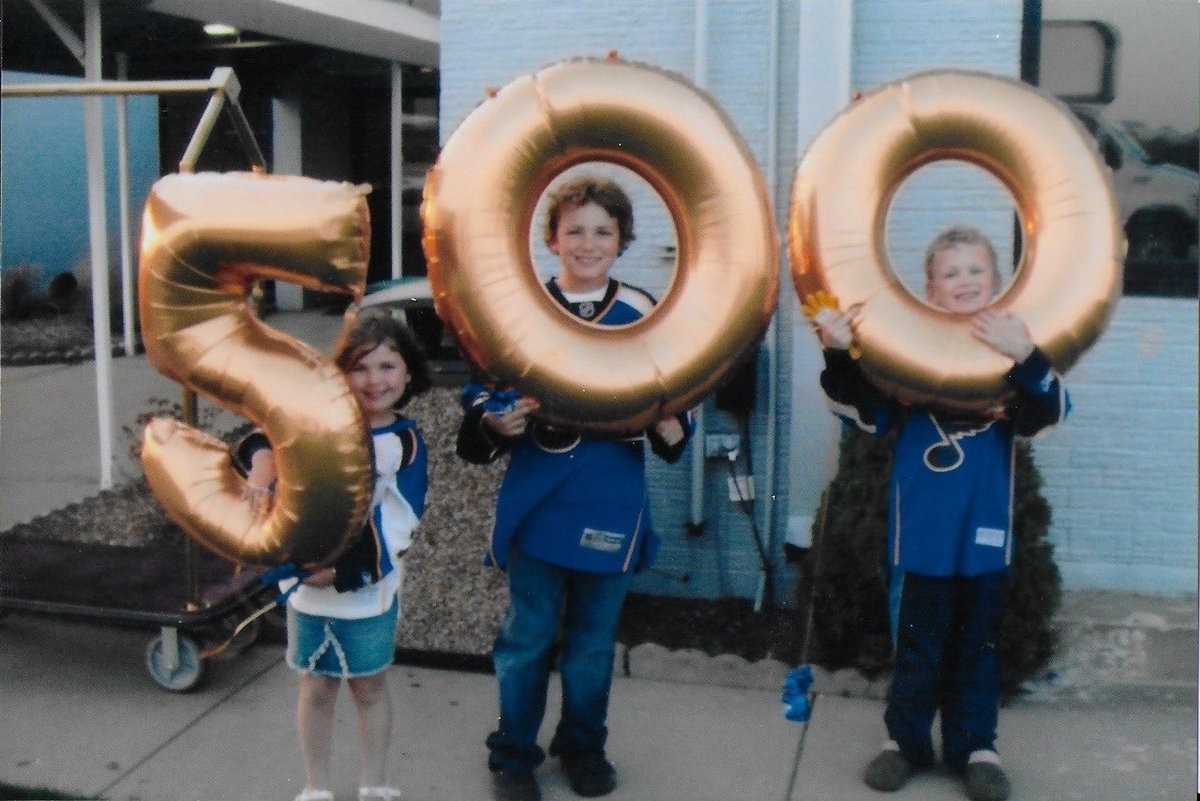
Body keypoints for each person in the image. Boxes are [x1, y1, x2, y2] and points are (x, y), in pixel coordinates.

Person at [456, 175, 694, 801]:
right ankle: (513, 756)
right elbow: (484, 390)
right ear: (552, 239)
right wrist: (493, 419)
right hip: (537, 503)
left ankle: (583, 747)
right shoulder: (523, 306)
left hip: (609, 502)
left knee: (591, 645)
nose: (588, 243)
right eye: (575, 230)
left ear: (622, 241)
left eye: (603, 231)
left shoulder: (643, 311)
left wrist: (671, 420)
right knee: (527, 638)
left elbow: (674, 400)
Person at [813, 225, 1070, 801]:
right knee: (919, 647)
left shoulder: (1013, 351)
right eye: (951, 274)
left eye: (976, 270)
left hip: (985, 535)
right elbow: (863, 411)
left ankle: (975, 746)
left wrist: (1026, 356)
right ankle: (903, 743)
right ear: (930, 290)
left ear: (997, 282)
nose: (965, 282)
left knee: (977, 647)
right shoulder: (907, 353)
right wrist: (837, 351)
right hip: (921, 536)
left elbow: (1047, 414)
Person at [240, 308, 432, 801]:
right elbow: (264, 431)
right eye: (360, 367)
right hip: (308, 588)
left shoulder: (404, 444)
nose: (374, 380)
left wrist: (345, 568)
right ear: (340, 372)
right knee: (316, 687)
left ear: (408, 372)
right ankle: (316, 785)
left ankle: (374, 781)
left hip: (365, 588)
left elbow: (402, 519)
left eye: (387, 366)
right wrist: (262, 462)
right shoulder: (317, 420)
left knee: (368, 688)